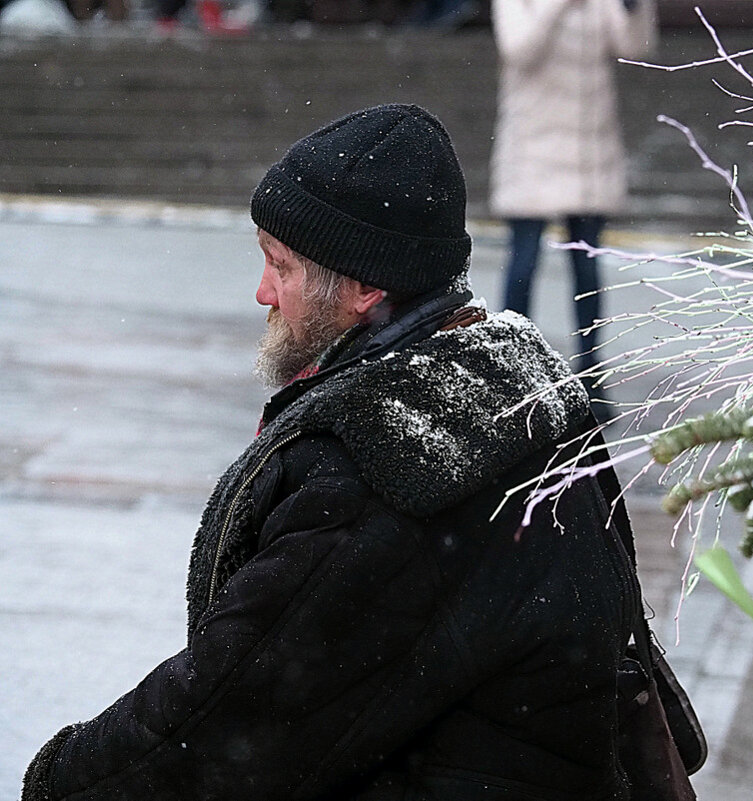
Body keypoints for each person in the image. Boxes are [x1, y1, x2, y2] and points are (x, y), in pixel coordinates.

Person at [22, 104, 642, 800]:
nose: (261, 293)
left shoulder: (388, 467)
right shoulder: (509, 381)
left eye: (280, 266)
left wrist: (62, 781)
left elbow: (227, 718)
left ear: (364, 287)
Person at [489, 0, 658, 387]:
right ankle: (510, 365)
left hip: (589, 154)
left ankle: (591, 370)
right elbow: (518, 49)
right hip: (533, 147)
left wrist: (634, 8)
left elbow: (635, 47)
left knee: (587, 263)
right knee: (524, 258)